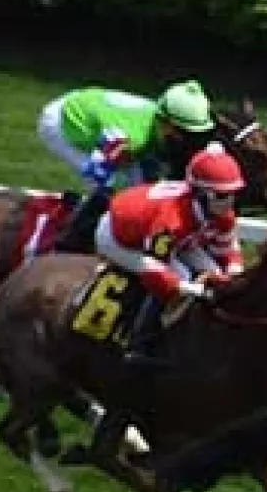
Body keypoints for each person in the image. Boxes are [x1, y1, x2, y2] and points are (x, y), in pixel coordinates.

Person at [92, 143, 247, 367]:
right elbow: (156, 270)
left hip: (177, 237)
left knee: (214, 273)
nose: (230, 202)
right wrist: (193, 289)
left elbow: (227, 249)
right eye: (222, 196)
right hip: (121, 238)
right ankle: (140, 342)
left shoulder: (221, 213)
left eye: (233, 194)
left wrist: (233, 275)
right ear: (201, 195)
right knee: (183, 277)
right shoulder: (172, 220)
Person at [38, 80, 219, 253]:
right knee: (116, 187)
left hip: (97, 109)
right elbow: (98, 171)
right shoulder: (130, 137)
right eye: (184, 133)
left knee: (145, 185)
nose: (189, 140)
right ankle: (69, 243)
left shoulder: (156, 127)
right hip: (63, 123)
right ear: (165, 123)